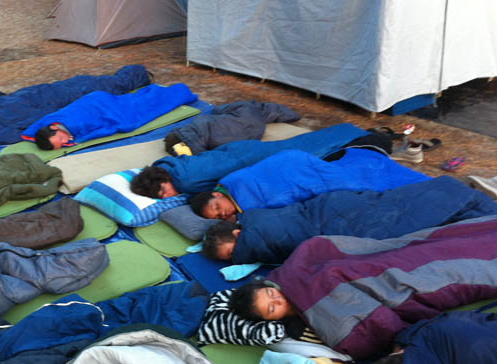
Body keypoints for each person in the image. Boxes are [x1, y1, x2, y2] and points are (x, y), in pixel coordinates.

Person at [224, 214, 497, 360]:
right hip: (399, 284)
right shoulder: (311, 319)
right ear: (274, 319)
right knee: (459, 266)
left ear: (270, 284)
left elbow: (318, 248)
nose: (280, 301)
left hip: (385, 263)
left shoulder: (293, 274)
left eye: (272, 294)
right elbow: (366, 330)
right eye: (272, 309)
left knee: (442, 248)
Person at [201, 176, 497, 263]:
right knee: (405, 205)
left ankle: (471, 202)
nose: (236, 258)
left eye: (232, 253)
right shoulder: (252, 217)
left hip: (339, 223)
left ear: (237, 235)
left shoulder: (257, 235)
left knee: (407, 219)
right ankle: (463, 197)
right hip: (333, 208)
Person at [128, 126, 388, 198]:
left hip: (249, 158)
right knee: (305, 144)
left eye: (163, 192)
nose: (167, 197)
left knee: (311, 151)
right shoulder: (172, 164)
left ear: (163, 181)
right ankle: (349, 132)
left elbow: (213, 183)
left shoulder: (184, 180)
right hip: (239, 150)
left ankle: (358, 135)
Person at [188, 147, 428, 221]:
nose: (223, 213)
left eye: (217, 207)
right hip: (294, 166)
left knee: (360, 186)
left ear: (216, 195)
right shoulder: (238, 204)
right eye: (218, 217)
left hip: (295, 166)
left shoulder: (232, 184)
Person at [0, 65, 151, 144]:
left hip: (54, 91)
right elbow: (31, 127)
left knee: (99, 82)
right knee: (109, 85)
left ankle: (136, 74)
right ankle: (141, 73)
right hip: (63, 97)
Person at [22, 83, 198, 150]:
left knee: (139, 112)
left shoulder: (74, 128)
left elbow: (103, 130)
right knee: (135, 100)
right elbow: (33, 131)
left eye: (59, 140)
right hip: (96, 99)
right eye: (60, 145)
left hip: (103, 107)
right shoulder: (48, 123)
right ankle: (167, 91)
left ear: (54, 128)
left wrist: (81, 140)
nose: (63, 143)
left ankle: (181, 91)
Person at [161, 100, 300, 156]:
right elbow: (217, 112)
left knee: (202, 128)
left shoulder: (247, 108)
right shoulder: (251, 110)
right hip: (242, 129)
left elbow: (217, 112)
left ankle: (183, 146)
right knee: (203, 125)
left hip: (217, 130)